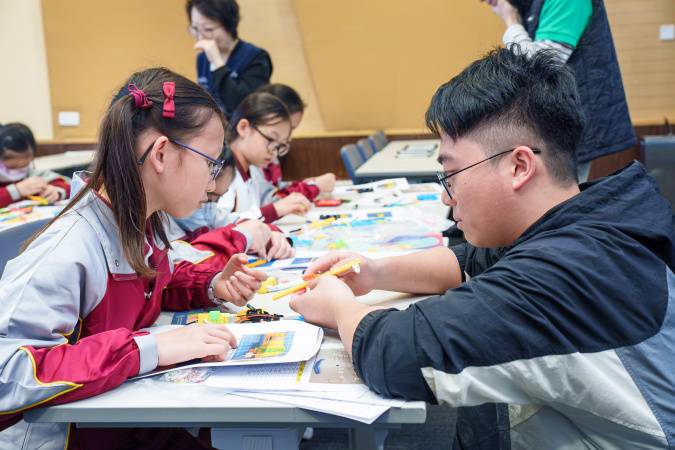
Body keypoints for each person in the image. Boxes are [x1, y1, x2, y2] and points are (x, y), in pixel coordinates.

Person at [289, 46, 675, 448]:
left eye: (452, 174)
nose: (446, 195)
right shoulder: (592, 220)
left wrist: (337, 306)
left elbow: (393, 353)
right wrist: (375, 271)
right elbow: (469, 261)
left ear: (519, 166)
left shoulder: (562, 274)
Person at [0, 67, 268, 449]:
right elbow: (7, 376)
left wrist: (209, 284)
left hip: (131, 423)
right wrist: (153, 349)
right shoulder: (69, 250)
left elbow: (151, 284)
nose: (212, 182)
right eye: (210, 162)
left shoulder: (140, 223)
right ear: (161, 154)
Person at [479, 0, 637, 182]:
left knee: (561, 207)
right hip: (555, 128)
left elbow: (538, 69)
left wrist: (510, 20)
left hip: (569, 130)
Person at [169, 144, 295, 272]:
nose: (206, 202)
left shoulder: (210, 212)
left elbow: (242, 222)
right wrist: (238, 236)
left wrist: (269, 235)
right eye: (208, 193)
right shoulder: (158, 225)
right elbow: (185, 266)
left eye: (218, 198)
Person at [186, 0, 272, 117]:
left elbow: (244, 106)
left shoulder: (256, 57)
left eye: (208, 29)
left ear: (230, 25)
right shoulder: (202, 58)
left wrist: (217, 62)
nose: (201, 37)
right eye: (195, 29)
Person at [255, 83, 336, 204]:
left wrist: (304, 184)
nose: (289, 138)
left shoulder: (271, 153)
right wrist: (313, 186)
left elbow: (276, 190)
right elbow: (269, 203)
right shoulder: (255, 157)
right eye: (289, 129)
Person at [0, 123, 71, 207]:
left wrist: (56, 192)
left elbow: (69, 186)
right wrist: (17, 190)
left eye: (24, 166)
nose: (18, 173)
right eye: (12, 167)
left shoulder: (30, 173)